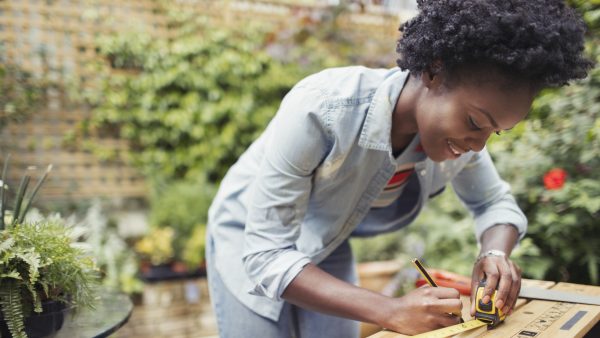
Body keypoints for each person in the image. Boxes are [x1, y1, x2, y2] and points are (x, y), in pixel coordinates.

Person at [205, 0, 592, 337]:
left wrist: (494, 255)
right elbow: (267, 255)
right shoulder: (322, 108)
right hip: (248, 237)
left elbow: (494, 203)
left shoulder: (461, 135)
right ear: (434, 72)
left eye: (496, 132)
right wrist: (390, 310)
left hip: (326, 238)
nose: (478, 145)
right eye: (476, 123)